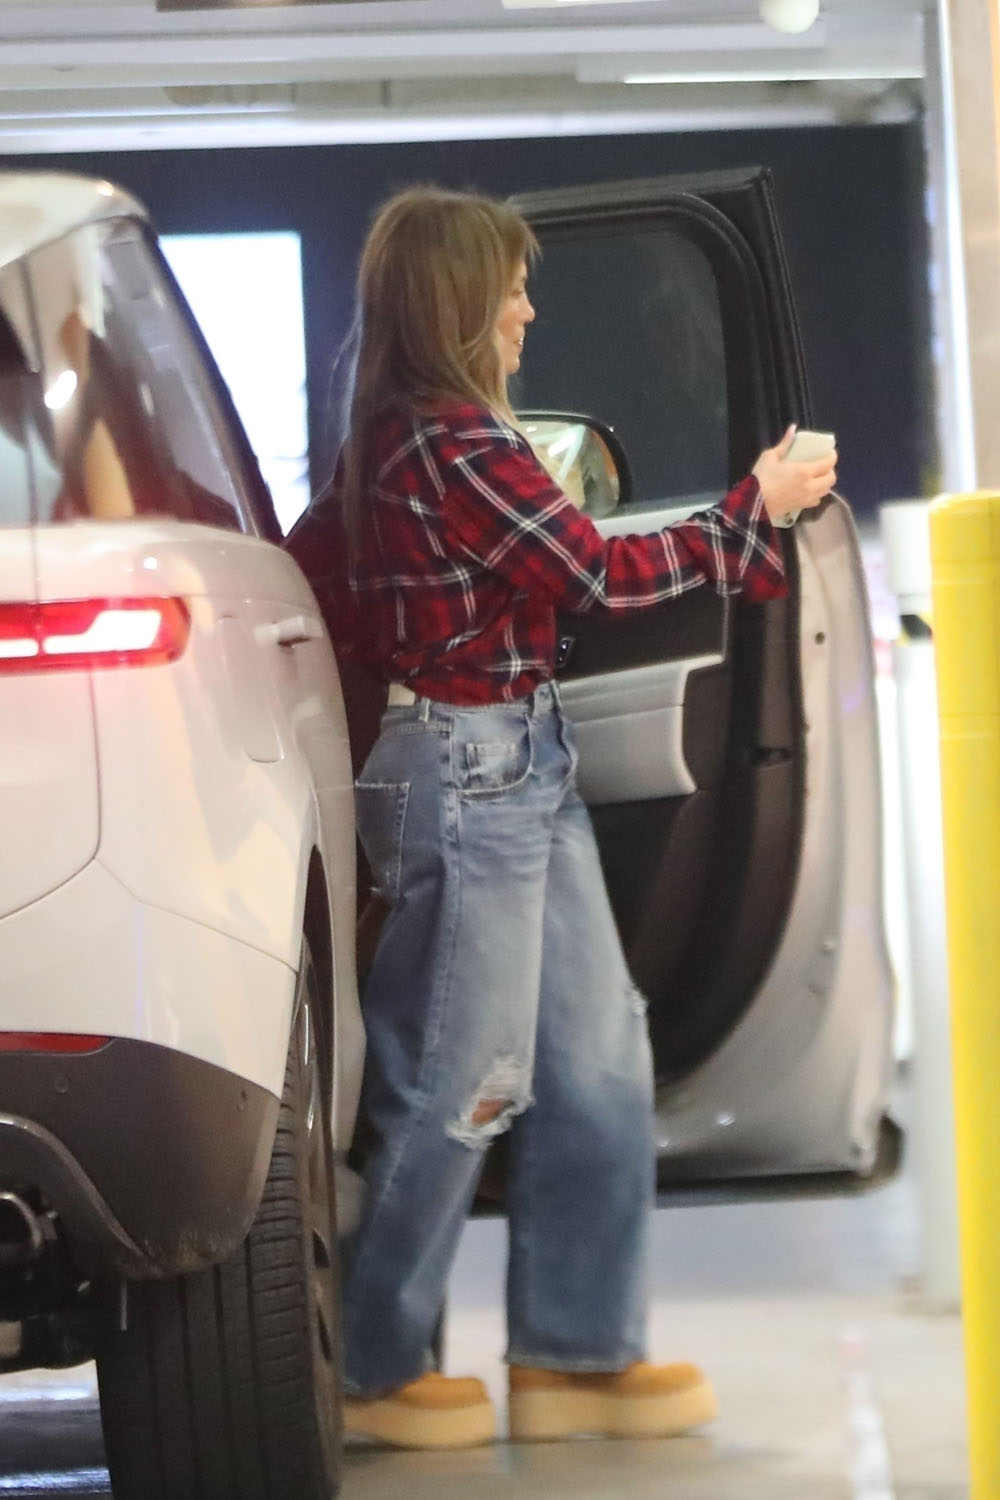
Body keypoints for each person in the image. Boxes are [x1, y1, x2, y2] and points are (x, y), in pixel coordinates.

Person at [286, 185, 836, 1452]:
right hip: (470, 767)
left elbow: (348, 574)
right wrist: (751, 510)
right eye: (512, 287)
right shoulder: (448, 442)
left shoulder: (404, 441)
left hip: (512, 755)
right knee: (460, 1083)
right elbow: (589, 567)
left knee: (596, 1062)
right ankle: (373, 1366)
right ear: (458, 302)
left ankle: (576, 1353)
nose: (528, 310)